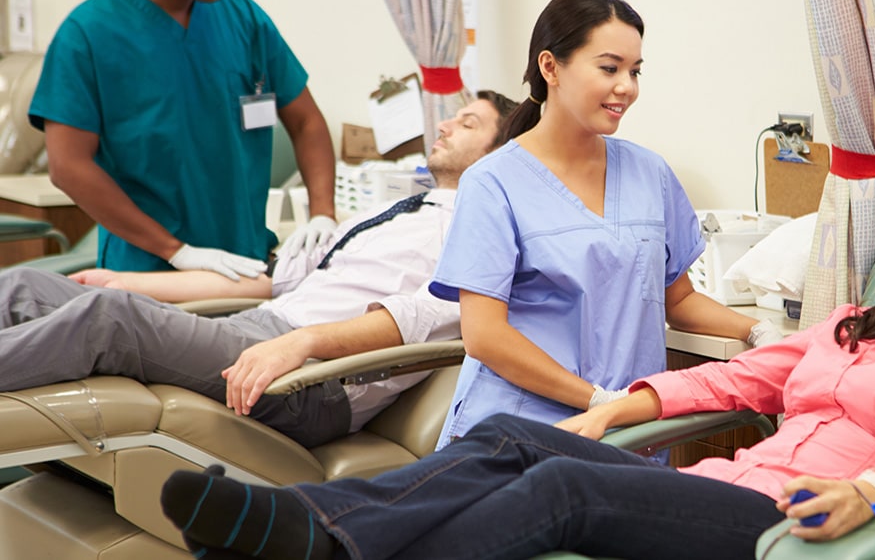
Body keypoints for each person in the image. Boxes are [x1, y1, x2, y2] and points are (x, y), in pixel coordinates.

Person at [159, 158, 875, 560]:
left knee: (564, 491)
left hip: (796, 524)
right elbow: (736, 379)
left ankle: (317, 539)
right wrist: (616, 407)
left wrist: (873, 492)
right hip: (732, 486)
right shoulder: (855, 324)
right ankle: (306, 525)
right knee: (518, 430)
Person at [0, 92, 516, 449]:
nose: (445, 124)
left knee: (106, 320)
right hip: (258, 330)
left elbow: (432, 315)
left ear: (500, 156)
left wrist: (306, 342)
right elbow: (270, 280)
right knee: (30, 284)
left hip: (312, 380)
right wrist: (128, 280)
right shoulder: (394, 212)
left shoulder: (479, 231)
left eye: (468, 124)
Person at [427, 0, 782, 449]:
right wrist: (597, 400)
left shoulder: (649, 172)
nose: (627, 87)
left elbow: (676, 299)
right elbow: (484, 337)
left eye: (635, 71)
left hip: (625, 431)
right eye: (609, 68)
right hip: (520, 429)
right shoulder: (493, 183)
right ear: (550, 67)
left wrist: (756, 330)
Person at [29, 0, 337, 278]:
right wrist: (177, 251)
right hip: (145, 271)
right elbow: (68, 166)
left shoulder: (243, 18)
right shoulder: (88, 35)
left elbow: (306, 121)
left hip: (246, 263)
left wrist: (323, 214)